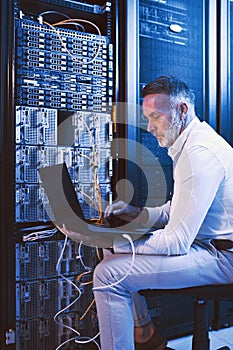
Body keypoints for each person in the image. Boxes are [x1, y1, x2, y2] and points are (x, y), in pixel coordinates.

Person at [91, 75, 233, 350]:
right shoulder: (191, 143)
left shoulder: (199, 152)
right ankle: (145, 333)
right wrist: (137, 214)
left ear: (182, 110)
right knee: (110, 258)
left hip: (224, 257)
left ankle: (143, 334)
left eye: (156, 116)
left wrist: (113, 240)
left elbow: (176, 242)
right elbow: (178, 209)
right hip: (211, 247)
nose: (149, 126)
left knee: (108, 275)